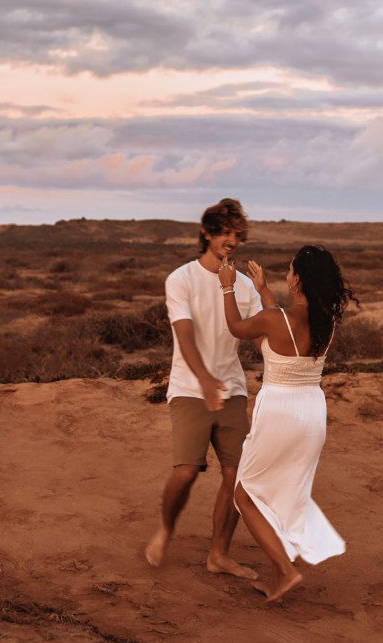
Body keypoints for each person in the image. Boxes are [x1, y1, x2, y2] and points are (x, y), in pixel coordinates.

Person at [217, 244, 354, 602]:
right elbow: (281, 327)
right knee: (286, 491)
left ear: (298, 281)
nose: (288, 275)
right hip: (311, 413)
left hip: (280, 412)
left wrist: (227, 286)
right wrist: (262, 289)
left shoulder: (276, 320)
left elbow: (237, 327)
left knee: (244, 494)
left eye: (291, 270)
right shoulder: (326, 323)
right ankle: (279, 572)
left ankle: (286, 570)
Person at [144, 198, 263, 580]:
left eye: (237, 235)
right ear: (206, 233)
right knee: (186, 472)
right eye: (225, 233)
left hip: (232, 390)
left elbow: (263, 334)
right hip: (189, 388)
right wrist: (205, 381)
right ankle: (166, 530)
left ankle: (218, 554)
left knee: (237, 478)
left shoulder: (244, 286)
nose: (232, 241)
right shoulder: (181, 279)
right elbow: (184, 335)